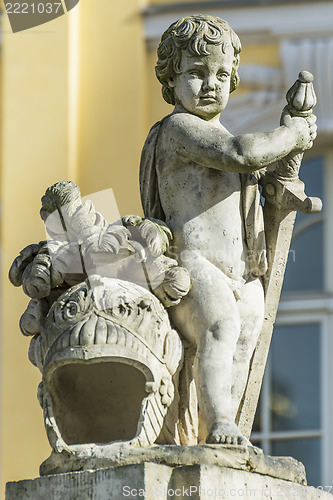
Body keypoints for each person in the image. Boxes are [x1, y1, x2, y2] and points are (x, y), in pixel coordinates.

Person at [139, 15, 317, 445]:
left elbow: (252, 187)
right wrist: (292, 133)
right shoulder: (180, 129)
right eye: (196, 74)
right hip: (195, 263)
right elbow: (243, 153)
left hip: (241, 273)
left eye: (221, 74)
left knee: (243, 344)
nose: (211, 84)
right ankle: (220, 422)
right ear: (170, 78)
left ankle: (222, 428)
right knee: (219, 327)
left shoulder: (218, 134)